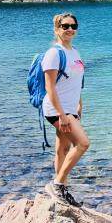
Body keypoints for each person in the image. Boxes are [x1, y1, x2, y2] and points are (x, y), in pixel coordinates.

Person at [42, 12, 89, 207]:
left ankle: (62, 193)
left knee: (63, 148)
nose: (70, 29)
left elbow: (76, 81)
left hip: (71, 108)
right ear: (57, 29)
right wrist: (61, 114)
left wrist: (80, 103)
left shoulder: (75, 52)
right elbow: (50, 87)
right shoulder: (54, 53)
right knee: (83, 144)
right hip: (56, 109)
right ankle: (58, 184)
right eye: (65, 26)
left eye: (73, 26)